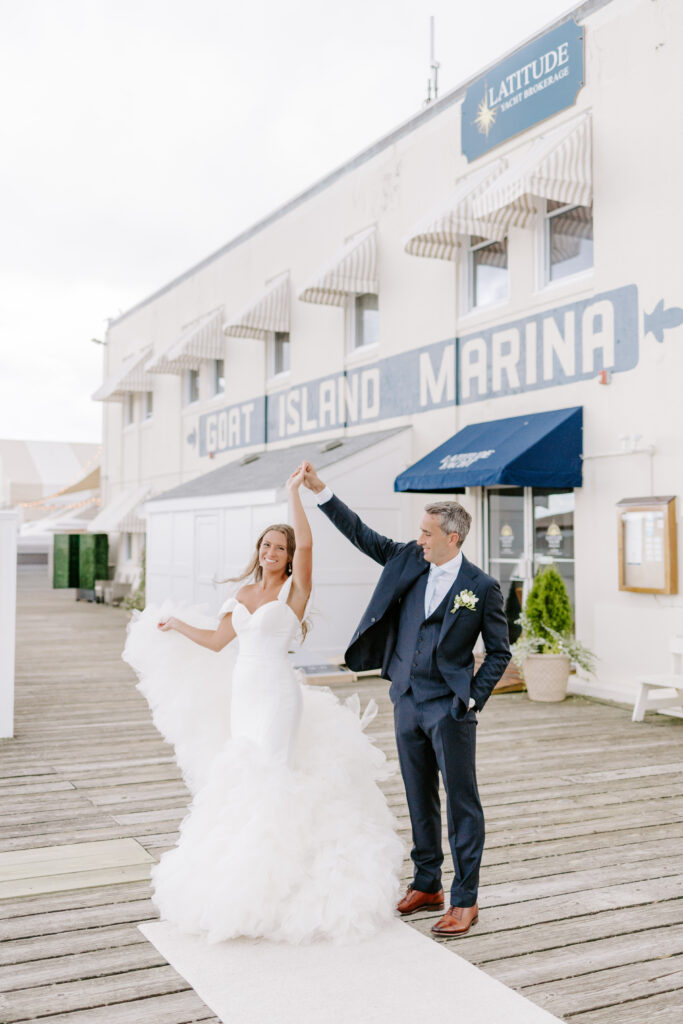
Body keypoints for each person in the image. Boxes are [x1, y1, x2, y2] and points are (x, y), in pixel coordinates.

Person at [122, 463, 403, 944]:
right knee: (243, 776)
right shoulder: (243, 593)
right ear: (259, 552)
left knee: (273, 774)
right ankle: (238, 876)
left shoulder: (295, 592)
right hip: (243, 694)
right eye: (266, 545)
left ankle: (280, 882)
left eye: (280, 547)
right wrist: (175, 626)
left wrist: (294, 492)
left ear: (290, 558)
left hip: (277, 694)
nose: (271, 552)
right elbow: (215, 641)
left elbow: (311, 545)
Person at [302, 462, 511, 937]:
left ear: (452, 538)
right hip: (407, 698)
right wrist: (321, 491)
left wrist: (472, 699)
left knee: (462, 804)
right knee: (419, 797)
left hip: (450, 707)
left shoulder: (481, 588)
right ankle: (427, 882)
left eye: (427, 532)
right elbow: (361, 534)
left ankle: (465, 900)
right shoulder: (407, 559)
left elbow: (499, 653)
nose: (419, 538)